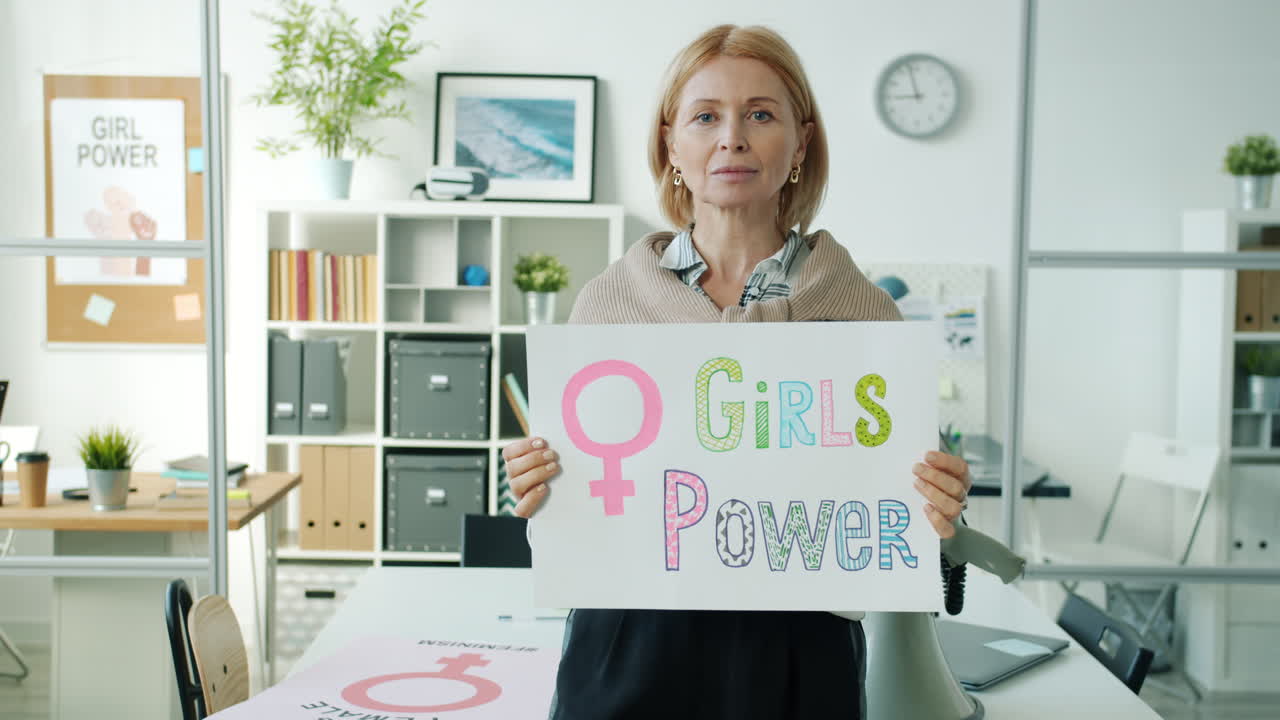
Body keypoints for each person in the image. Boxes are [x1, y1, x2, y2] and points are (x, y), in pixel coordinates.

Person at [502, 24, 972, 720]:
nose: (732, 138)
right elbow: (572, 517)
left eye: (760, 114)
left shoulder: (864, 313)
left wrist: (943, 514)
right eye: (705, 117)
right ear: (671, 146)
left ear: (800, 144)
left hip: (800, 659)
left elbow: (908, 540)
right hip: (627, 652)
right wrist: (534, 483)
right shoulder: (607, 304)